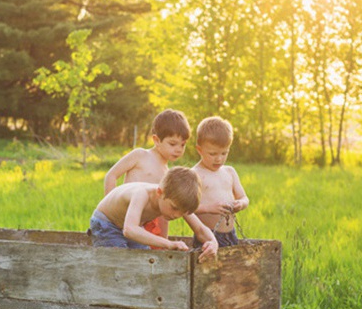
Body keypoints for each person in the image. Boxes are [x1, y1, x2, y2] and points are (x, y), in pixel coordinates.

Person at [90, 166, 219, 260]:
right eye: (174, 208)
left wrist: (213, 242)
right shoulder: (142, 194)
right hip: (106, 223)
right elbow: (129, 230)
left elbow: (200, 229)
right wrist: (168, 244)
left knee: (145, 261)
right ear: (159, 192)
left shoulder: (176, 200)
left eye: (182, 212)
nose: (176, 215)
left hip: (132, 226)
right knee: (119, 262)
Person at [103, 109, 191, 247]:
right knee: (117, 256)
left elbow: (164, 213)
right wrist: (110, 206)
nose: (179, 149)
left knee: (140, 259)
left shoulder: (167, 176)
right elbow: (111, 175)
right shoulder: (140, 156)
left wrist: (164, 242)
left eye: (183, 144)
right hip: (116, 218)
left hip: (138, 225)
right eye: (173, 144)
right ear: (156, 140)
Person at [191, 116, 249, 247]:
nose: (219, 159)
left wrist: (240, 204)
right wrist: (209, 208)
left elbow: (244, 197)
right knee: (208, 267)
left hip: (231, 234)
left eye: (224, 153)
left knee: (231, 265)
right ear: (199, 150)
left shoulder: (230, 172)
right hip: (207, 236)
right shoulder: (195, 174)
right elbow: (185, 209)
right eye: (213, 154)